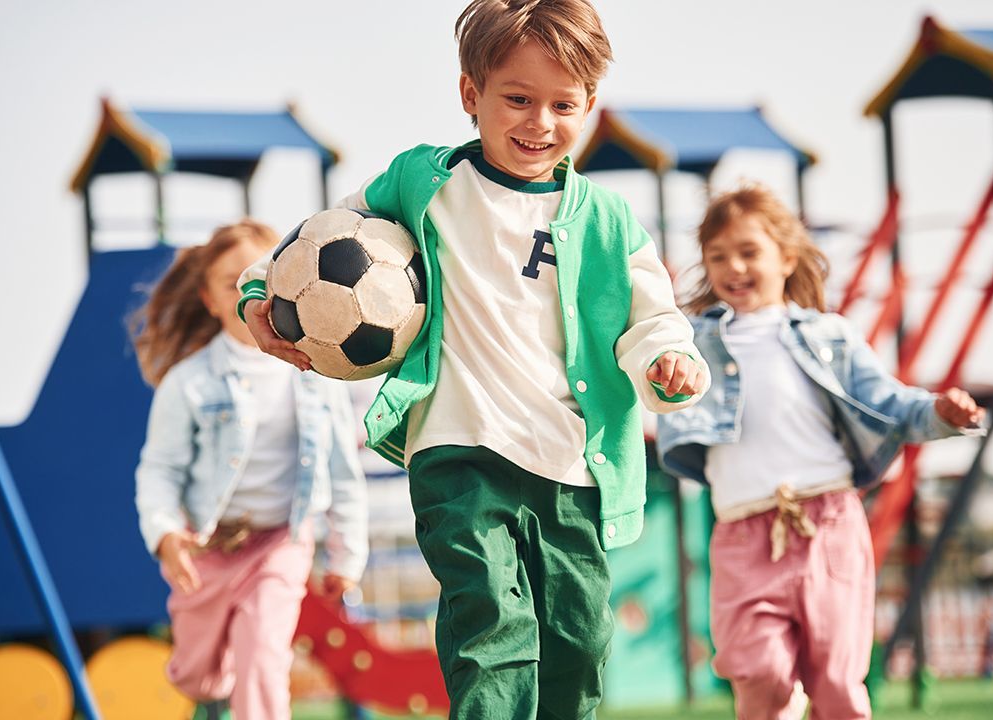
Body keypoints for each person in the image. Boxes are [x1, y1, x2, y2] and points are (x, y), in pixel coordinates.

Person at [235, 1, 709, 716]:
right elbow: (315, 243)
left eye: (562, 104)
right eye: (517, 99)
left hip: (569, 462)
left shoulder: (607, 221)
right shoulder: (425, 184)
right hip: (458, 449)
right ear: (471, 96)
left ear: (589, 105)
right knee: (490, 621)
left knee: (578, 642)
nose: (538, 122)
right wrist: (255, 296)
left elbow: (653, 319)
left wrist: (671, 362)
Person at [656, 186, 985, 719]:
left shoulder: (828, 334)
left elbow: (888, 401)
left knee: (836, 681)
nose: (733, 267)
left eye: (748, 252)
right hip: (742, 534)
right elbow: (655, 376)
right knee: (759, 674)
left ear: (786, 258)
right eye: (717, 257)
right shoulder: (690, 341)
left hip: (826, 524)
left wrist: (939, 414)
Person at [132, 219, 368, 720]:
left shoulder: (316, 374)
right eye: (230, 283)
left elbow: (344, 473)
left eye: (260, 277)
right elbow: (159, 470)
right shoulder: (190, 382)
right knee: (198, 676)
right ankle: (217, 676)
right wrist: (166, 533)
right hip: (208, 548)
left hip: (280, 543)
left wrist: (347, 556)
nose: (249, 292)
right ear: (209, 299)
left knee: (262, 654)